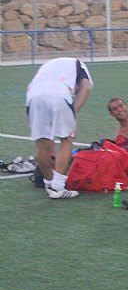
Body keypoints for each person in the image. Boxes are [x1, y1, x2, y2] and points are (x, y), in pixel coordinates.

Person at [26, 58, 94, 199]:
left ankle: (49, 184)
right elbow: (86, 87)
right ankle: (58, 188)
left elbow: (30, 87)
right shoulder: (79, 64)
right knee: (67, 139)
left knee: (41, 144)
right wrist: (73, 112)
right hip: (58, 93)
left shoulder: (49, 66)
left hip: (33, 96)